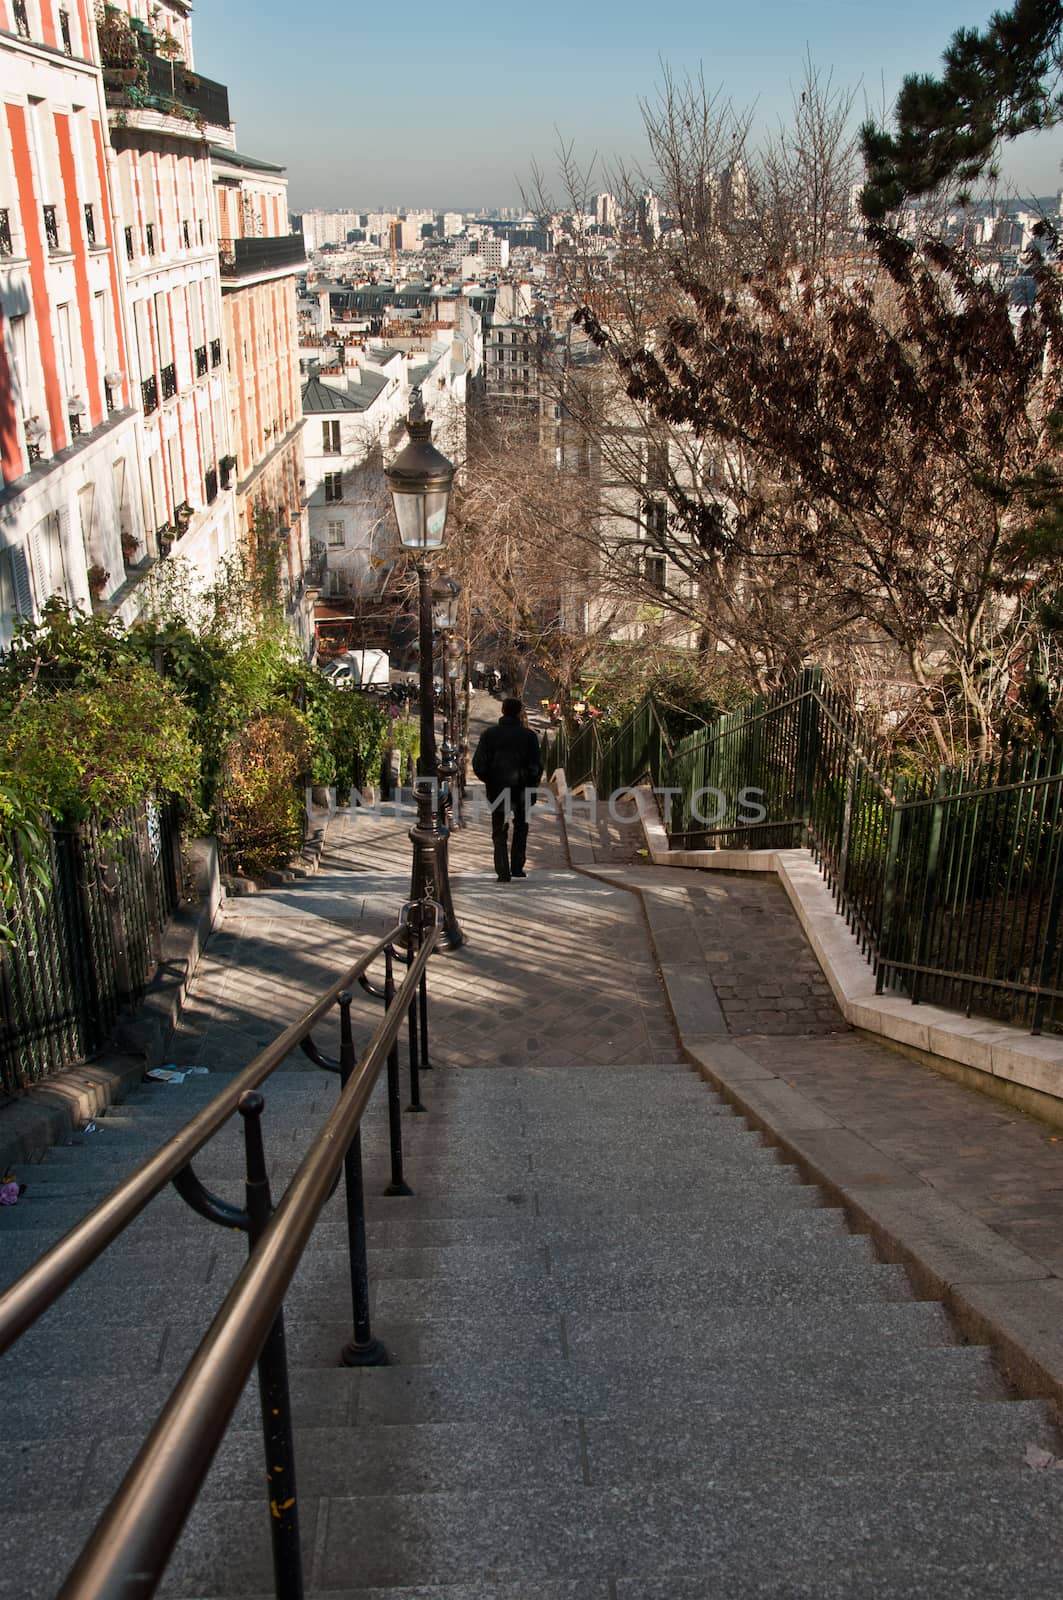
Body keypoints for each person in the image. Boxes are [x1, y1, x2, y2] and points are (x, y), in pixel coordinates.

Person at [472, 697, 543, 882]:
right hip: (522, 790)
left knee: (499, 829)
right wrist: (531, 783)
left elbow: (479, 765)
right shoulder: (529, 736)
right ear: (520, 713)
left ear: (502, 711)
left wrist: (491, 780)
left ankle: (502, 870)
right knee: (521, 827)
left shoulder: (489, 735)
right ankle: (517, 867)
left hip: (497, 789)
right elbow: (536, 766)